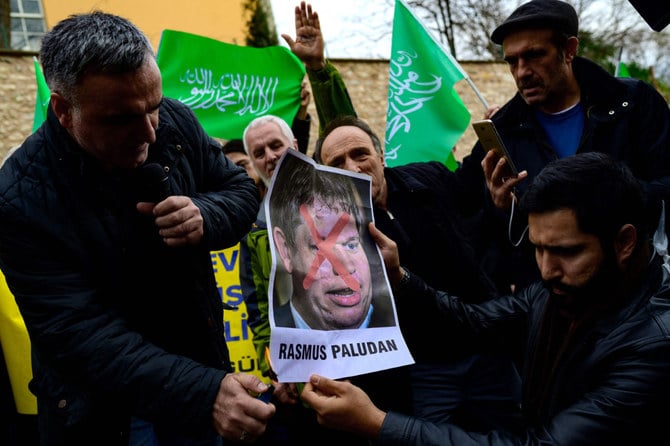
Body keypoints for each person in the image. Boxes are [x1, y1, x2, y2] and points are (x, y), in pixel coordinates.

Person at [0, 11, 274, 445]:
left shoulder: (175, 121)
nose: (148, 131)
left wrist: (205, 214)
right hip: (105, 415)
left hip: (200, 379)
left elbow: (239, 189)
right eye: (120, 119)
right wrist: (202, 392)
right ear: (63, 109)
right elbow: (81, 335)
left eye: (154, 107)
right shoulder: (19, 198)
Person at [302, 151, 670, 445]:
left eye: (567, 252)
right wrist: (399, 277)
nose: (546, 270)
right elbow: (473, 322)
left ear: (624, 242)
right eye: (537, 249)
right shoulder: (556, 294)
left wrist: (378, 424)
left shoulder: (654, 343)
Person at [313, 116, 522, 429]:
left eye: (360, 154)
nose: (353, 168)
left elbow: (480, 216)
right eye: (337, 162)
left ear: (381, 157)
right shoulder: (327, 235)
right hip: (420, 372)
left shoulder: (428, 178)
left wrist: (498, 205)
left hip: (484, 348)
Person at [456, 0, 670, 294]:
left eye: (533, 56)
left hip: (633, 292)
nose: (522, 72)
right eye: (512, 61)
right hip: (549, 301)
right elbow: (465, 210)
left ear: (569, 50)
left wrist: (605, 202)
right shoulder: (502, 129)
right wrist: (501, 208)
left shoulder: (633, 103)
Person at [269, 151, 394, 330]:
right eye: (320, 247)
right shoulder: (270, 335)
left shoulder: (402, 324)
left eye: (351, 244)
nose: (345, 267)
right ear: (285, 250)